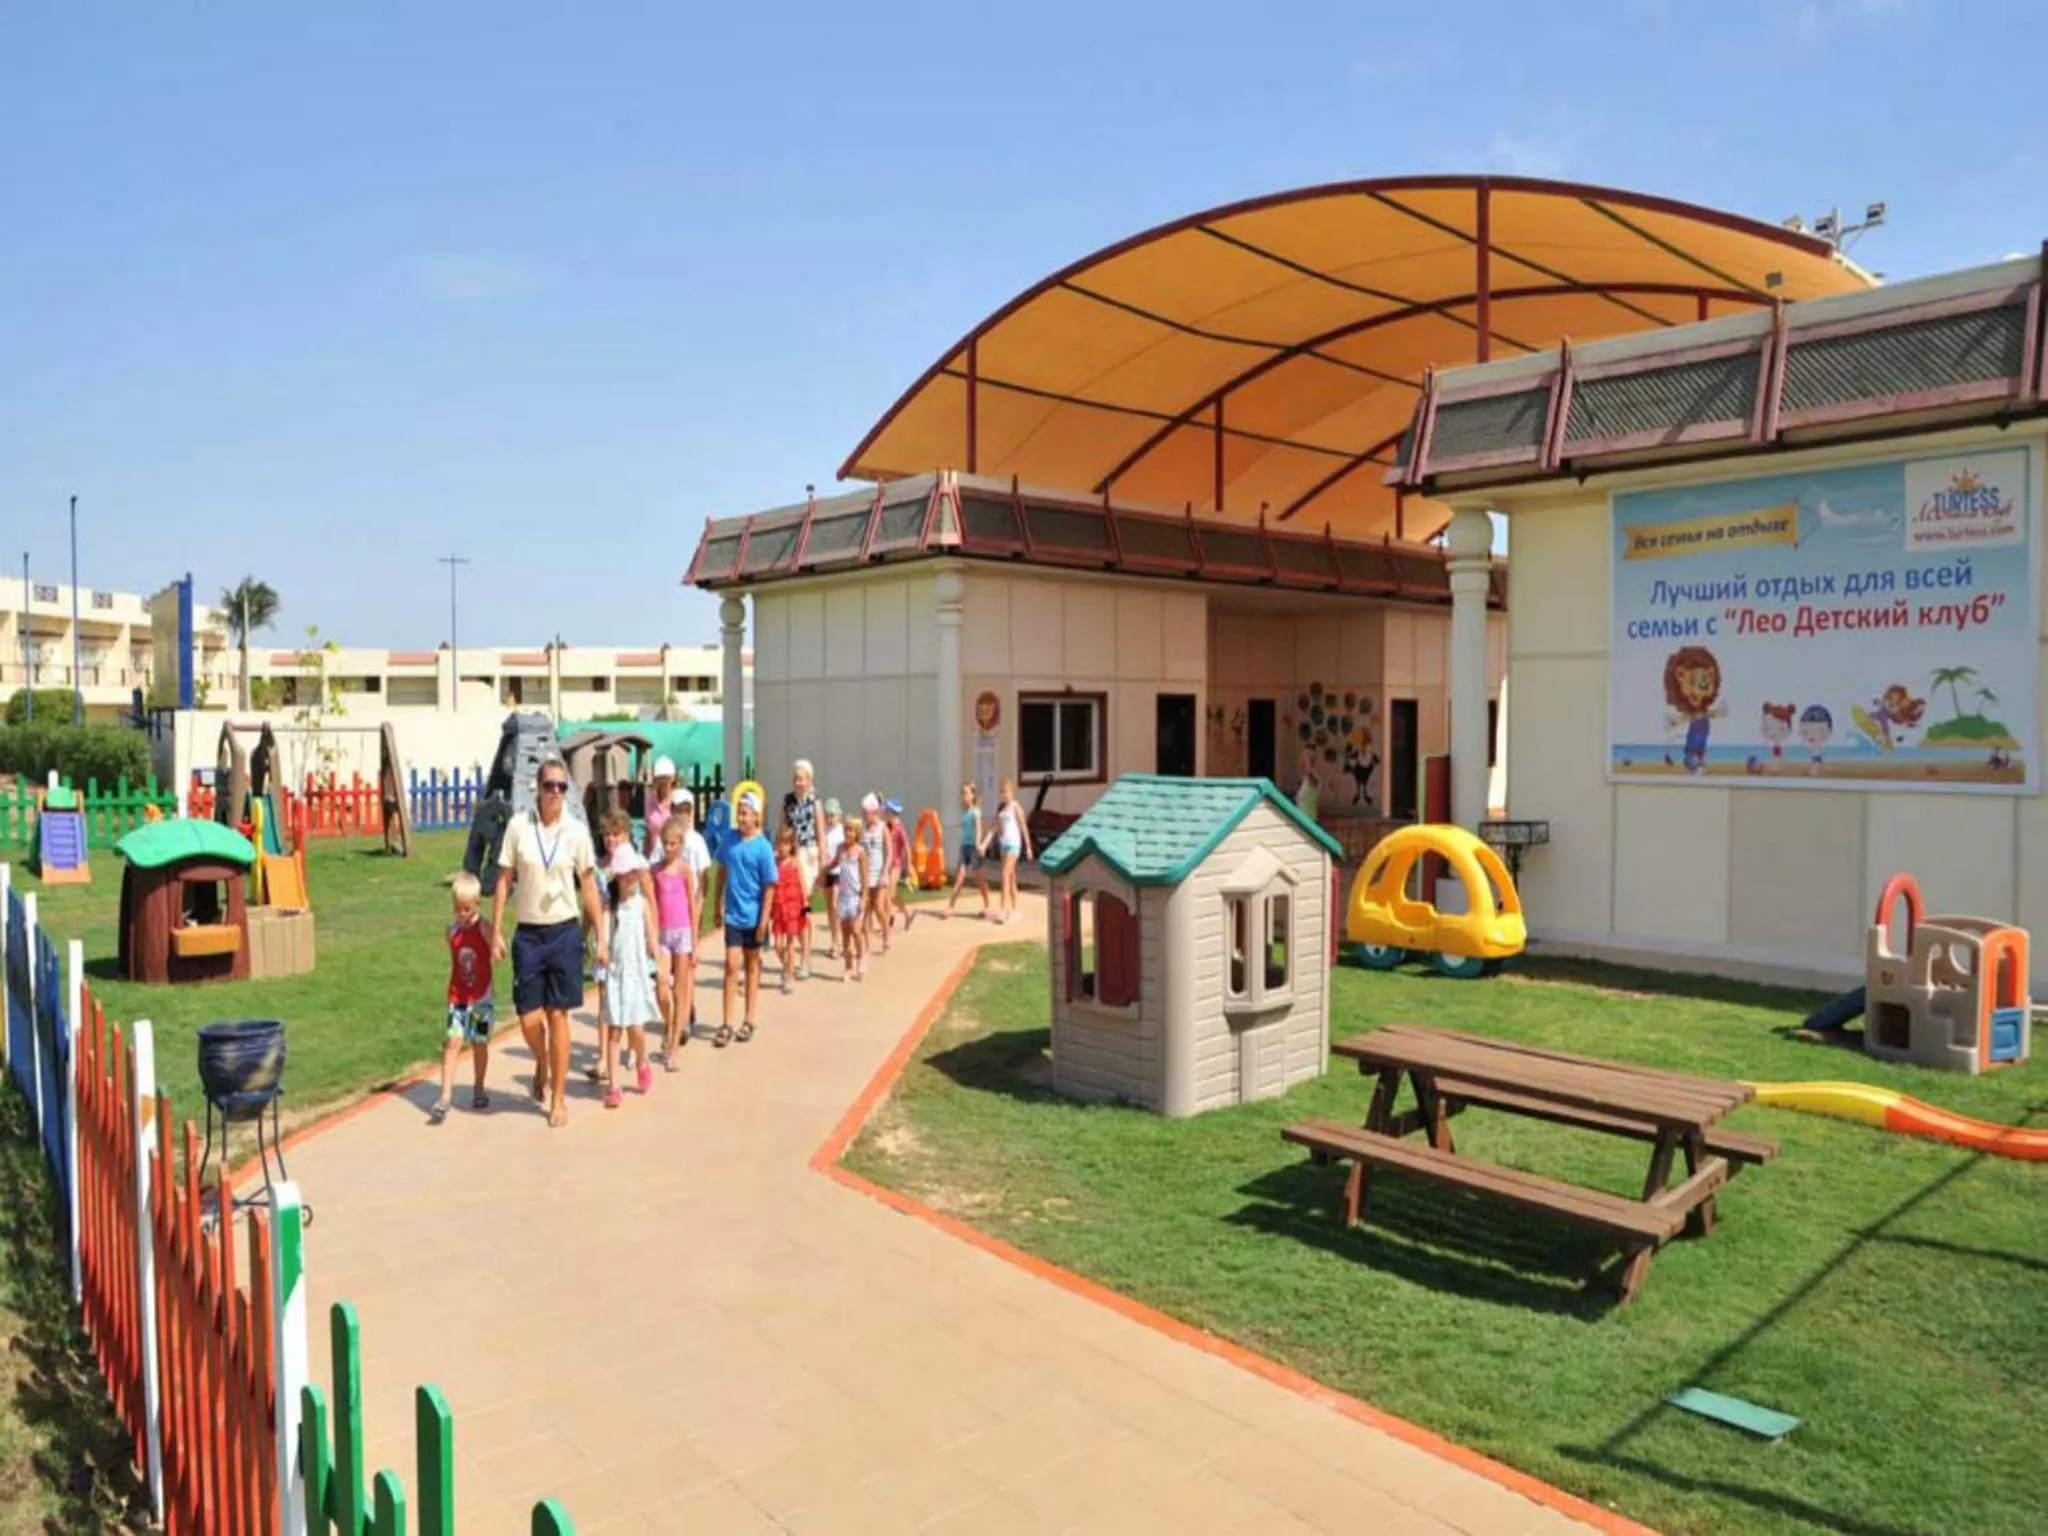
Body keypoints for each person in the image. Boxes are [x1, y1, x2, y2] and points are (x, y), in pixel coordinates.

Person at [490, 754, 604, 1129]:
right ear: (537, 788)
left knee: (559, 1014)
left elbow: (588, 883)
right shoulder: (519, 827)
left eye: (561, 786)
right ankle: (542, 1059)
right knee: (528, 1018)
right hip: (529, 933)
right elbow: (504, 879)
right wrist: (496, 931)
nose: (555, 792)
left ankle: (557, 1098)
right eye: (549, 785)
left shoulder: (575, 832)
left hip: (564, 930)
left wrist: (601, 936)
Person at [595, 811, 660, 1108]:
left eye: (635, 873)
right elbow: (605, 932)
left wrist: (653, 949)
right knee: (614, 1030)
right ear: (619, 877)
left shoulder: (641, 904)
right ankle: (614, 1085)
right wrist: (602, 949)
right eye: (627, 874)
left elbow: (650, 934)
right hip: (616, 974)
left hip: (636, 972)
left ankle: (642, 1060)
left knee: (636, 1028)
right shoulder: (612, 906)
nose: (632, 878)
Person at [716, 789, 778, 1047]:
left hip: (754, 917)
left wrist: (764, 921)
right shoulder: (729, 840)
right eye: (739, 813)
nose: (741, 818)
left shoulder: (762, 847)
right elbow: (721, 871)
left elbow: (769, 887)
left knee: (752, 966)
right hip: (733, 914)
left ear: (756, 816)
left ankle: (749, 1018)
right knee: (731, 966)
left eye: (745, 813)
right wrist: (717, 903)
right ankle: (727, 1022)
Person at [432, 871, 494, 1123]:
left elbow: (496, 946)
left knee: (479, 1042)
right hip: (458, 996)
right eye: (457, 909)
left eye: (467, 909)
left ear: (477, 904)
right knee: (453, 1042)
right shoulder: (452, 931)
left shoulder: (483, 927)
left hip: (480, 996)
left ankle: (479, 1087)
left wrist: (497, 944)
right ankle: (445, 1095)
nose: (462, 915)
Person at [650, 815, 699, 1070]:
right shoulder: (655, 871)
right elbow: (652, 905)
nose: (668, 848)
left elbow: (692, 906)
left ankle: (674, 1047)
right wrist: (652, 936)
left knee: (681, 990)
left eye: (673, 844)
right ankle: (668, 1026)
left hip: (682, 933)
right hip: (663, 935)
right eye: (665, 843)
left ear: (680, 844)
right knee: (661, 987)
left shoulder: (685, 870)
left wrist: (696, 944)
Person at [781, 760, 822, 980]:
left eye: (802, 778)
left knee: (802, 906)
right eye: (796, 778)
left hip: (808, 854)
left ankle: (805, 958)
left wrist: (823, 864)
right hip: (792, 854)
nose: (798, 782)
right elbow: (783, 827)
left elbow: (820, 833)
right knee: (793, 907)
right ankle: (795, 955)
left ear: (809, 780)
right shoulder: (787, 801)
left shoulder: (815, 802)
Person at [944, 782, 992, 921]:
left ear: (972, 795)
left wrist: (978, 844)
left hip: (973, 848)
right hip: (964, 847)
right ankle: (951, 906)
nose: (964, 796)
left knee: (979, 879)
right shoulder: (965, 812)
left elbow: (978, 828)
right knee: (960, 876)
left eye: (966, 793)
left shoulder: (975, 811)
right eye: (962, 793)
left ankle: (987, 905)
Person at [769, 824, 808, 995]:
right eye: (780, 843)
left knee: (791, 944)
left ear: (792, 845)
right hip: (779, 905)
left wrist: (805, 902)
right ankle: (787, 966)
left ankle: (790, 976)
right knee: (778, 944)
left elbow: (802, 882)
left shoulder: (794, 863)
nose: (783, 847)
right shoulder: (774, 861)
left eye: (786, 843)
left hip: (793, 906)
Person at [832, 815, 867, 980]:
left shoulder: (860, 852)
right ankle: (848, 966)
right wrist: (823, 870)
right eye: (846, 829)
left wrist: (863, 898)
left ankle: (861, 957)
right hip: (843, 897)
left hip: (855, 896)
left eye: (851, 830)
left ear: (857, 833)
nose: (847, 833)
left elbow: (865, 878)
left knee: (855, 930)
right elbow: (834, 863)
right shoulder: (840, 849)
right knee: (845, 935)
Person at [993, 777, 1032, 925]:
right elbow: (995, 827)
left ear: (1011, 792)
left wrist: (1028, 847)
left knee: (1004, 874)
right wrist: (986, 843)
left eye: (1005, 792)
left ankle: (1003, 910)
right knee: (1011, 877)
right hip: (1003, 845)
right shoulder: (1001, 808)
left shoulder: (1016, 807)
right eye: (1001, 792)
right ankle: (1014, 909)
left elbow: (1023, 827)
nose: (1003, 795)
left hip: (1014, 845)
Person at [859, 793, 891, 954]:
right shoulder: (862, 829)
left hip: (880, 874)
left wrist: (885, 871)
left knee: (879, 907)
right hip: (866, 875)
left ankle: (886, 935)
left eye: (867, 812)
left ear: (875, 812)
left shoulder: (882, 828)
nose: (865, 816)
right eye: (863, 813)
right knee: (865, 911)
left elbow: (889, 851)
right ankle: (866, 944)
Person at [819, 799, 847, 961]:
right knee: (829, 908)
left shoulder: (842, 831)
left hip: (839, 872)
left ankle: (838, 942)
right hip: (827, 871)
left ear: (838, 815)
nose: (830, 819)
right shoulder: (824, 831)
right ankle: (834, 939)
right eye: (828, 816)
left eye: (833, 815)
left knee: (836, 905)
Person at [884, 798, 917, 933]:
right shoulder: (886, 827)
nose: (885, 814)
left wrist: (908, 868)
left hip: (896, 866)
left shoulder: (899, 829)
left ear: (893, 813)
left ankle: (889, 920)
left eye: (888, 811)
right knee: (891, 894)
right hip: (886, 865)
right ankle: (907, 915)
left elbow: (907, 849)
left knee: (888, 895)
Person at [642, 754, 678, 858]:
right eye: (660, 778)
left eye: (666, 778)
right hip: (654, 859)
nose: (662, 782)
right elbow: (648, 835)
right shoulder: (650, 802)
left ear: (673, 778)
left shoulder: (679, 800)